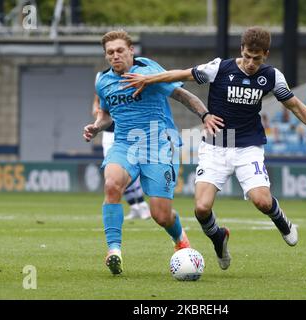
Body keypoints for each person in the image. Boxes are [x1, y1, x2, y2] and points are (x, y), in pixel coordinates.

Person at [121, 26, 306, 271]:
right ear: (241, 49)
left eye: (258, 58)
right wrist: (148, 79)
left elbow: (295, 106)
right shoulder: (220, 68)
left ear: (266, 54)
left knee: (262, 202)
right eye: (248, 56)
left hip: (247, 147)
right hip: (215, 147)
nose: (252, 62)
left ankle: (281, 220)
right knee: (201, 208)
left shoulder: (272, 76)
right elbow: (182, 74)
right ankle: (218, 239)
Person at [83, 30, 223, 275]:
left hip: (159, 145)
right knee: (112, 184)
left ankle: (180, 240)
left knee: (160, 215)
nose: (115, 56)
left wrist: (205, 115)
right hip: (125, 144)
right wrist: (96, 127)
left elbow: (181, 94)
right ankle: (113, 250)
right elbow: (105, 115)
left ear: (131, 51)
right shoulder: (102, 81)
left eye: (119, 51)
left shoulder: (148, 71)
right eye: (110, 53)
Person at [92, 93, 151, 220]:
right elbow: (96, 107)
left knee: (128, 169)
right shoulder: (103, 82)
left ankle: (142, 204)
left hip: (125, 133)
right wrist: (99, 111)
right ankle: (134, 206)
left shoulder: (126, 82)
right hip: (108, 135)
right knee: (114, 173)